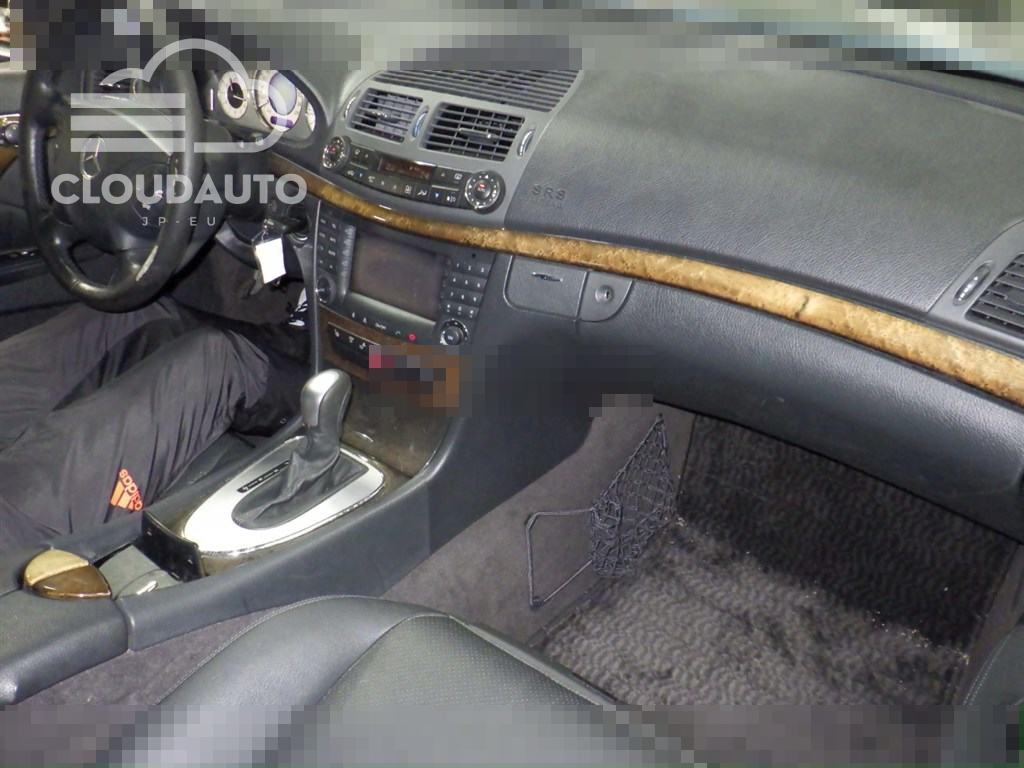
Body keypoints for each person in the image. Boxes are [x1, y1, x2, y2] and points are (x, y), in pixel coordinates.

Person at [0, 298, 307, 552]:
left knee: (134, 312)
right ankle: (329, 394)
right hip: (16, 533)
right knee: (219, 363)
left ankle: (297, 341)